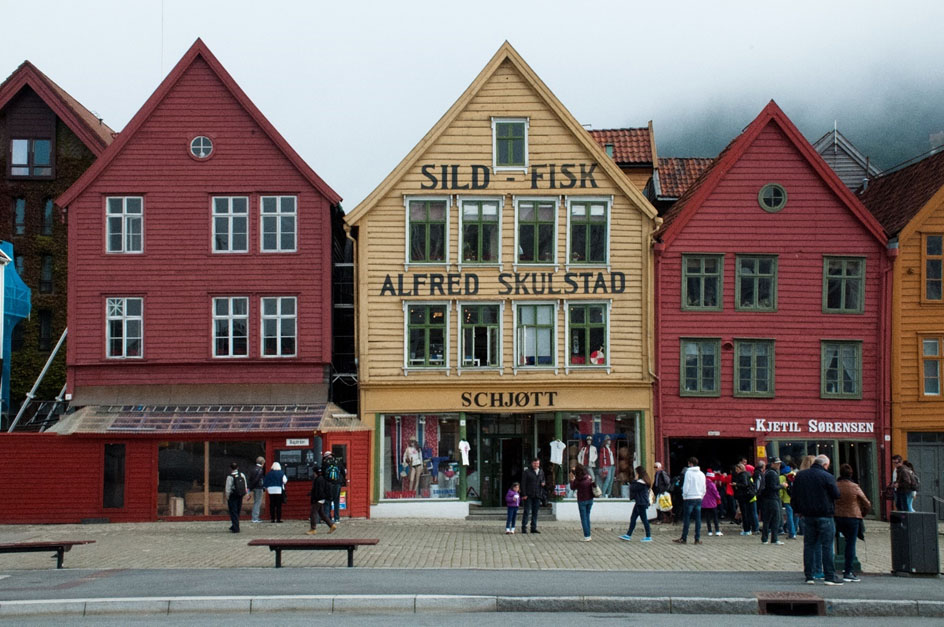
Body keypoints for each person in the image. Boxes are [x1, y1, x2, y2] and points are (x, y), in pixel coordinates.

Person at [792, 454, 843, 585]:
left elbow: (795, 495)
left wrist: (798, 510)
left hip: (807, 515)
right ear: (825, 465)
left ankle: (809, 576)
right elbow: (836, 495)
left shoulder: (801, 476)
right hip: (825, 514)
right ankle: (829, 576)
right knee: (827, 546)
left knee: (809, 545)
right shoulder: (827, 476)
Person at [834, 463, 870, 582]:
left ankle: (829, 570)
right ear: (851, 473)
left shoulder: (836, 485)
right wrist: (862, 513)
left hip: (838, 516)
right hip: (853, 517)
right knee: (851, 544)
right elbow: (867, 503)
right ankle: (848, 571)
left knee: (832, 542)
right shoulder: (855, 486)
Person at [674, 457, 706, 545]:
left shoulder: (688, 472)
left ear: (690, 463)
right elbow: (704, 487)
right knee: (698, 519)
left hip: (689, 498)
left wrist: (684, 495)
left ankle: (684, 538)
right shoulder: (702, 474)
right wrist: (702, 495)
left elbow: (686, 486)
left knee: (687, 518)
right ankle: (697, 538)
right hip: (698, 497)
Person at [620, 466, 653, 542]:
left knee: (643, 519)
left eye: (636, 473)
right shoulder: (644, 482)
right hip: (641, 502)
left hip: (641, 503)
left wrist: (635, 480)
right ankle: (628, 535)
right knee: (634, 518)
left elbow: (632, 488)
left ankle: (648, 536)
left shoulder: (640, 483)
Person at [759, 457, 784, 545]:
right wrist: (782, 485)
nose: (779, 465)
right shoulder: (773, 474)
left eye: (779, 463)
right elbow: (773, 487)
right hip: (772, 498)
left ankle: (765, 538)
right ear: (772, 463)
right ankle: (774, 538)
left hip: (766, 498)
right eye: (777, 463)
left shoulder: (767, 472)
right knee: (775, 519)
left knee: (767, 519)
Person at [307, 467, 336, 535]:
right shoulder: (323, 478)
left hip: (318, 499)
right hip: (322, 499)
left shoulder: (317, 480)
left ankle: (313, 529)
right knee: (322, 514)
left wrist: (315, 498)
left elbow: (318, 491)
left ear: (315, 473)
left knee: (313, 513)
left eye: (314, 472)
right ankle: (331, 525)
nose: (313, 474)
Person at [569, 463, 594, 541]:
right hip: (590, 499)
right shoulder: (588, 477)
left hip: (582, 500)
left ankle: (587, 536)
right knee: (587, 517)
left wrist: (572, 479)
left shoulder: (578, 480)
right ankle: (588, 534)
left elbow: (572, 487)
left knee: (584, 518)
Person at [520, 457, 546, 534]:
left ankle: (533, 528)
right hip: (528, 494)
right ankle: (524, 527)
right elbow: (523, 484)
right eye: (535, 463)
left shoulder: (541, 471)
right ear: (532, 463)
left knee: (535, 512)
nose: (536, 465)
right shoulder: (527, 472)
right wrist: (524, 494)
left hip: (537, 494)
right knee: (527, 511)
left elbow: (543, 479)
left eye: (537, 463)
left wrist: (543, 483)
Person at [732, 463, 757, 536]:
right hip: (747, 496)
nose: (736, 471)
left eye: (737, 469)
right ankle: (749, 529)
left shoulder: (742, 475)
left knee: (745, 513)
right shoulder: (748, 474)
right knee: (747, 513)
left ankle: (747, 529)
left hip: (743, 497)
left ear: (741, 469)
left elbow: (745, 484)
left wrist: (736, 484)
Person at [224, 462, 248, 533]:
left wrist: (227, 497)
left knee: (233, 511)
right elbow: (245, 485)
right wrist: (245, 493)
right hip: (240, 494)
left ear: (230, 468)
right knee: (237, 510)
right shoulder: (242, 475)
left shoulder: (230, 477)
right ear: (238, 468)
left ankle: (236, 527)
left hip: (233, 495)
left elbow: (227, 488)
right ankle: (234, 525)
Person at [324, 451, 347, 523]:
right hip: (337, 484)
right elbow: (343, 472)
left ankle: (328, 518)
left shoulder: (325, 463)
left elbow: (322, 474)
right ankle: (337, 518)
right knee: (336, 501)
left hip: (328, 484)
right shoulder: (338, 462)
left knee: (327, 501)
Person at [702, 470, 721, 536]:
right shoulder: (712, 484)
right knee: (715, 517)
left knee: (708, 518)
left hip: (705, 503)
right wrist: (719, 497)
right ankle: (717, 531)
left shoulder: (703, 484)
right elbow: (716, 493)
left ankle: (709, 531)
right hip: (712, 503)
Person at [248, 456, 266, 523]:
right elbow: (257, 479)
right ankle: (255, 518)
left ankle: (255, 517)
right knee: (257, 502)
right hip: (258, 487)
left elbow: (250, 478)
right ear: (262, 462)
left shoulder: (253, 469)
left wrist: (250, 487)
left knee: (256, 502)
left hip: (254, 487)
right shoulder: (260, 470)